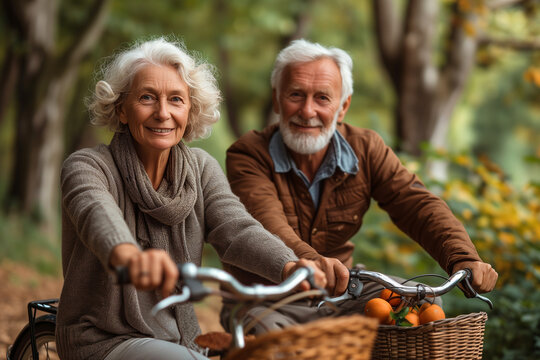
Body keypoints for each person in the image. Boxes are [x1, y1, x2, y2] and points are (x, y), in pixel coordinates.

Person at [56, 37, 326, 360]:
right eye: (147, 98)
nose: (163, 113)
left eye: (176, 100)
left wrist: (288, 265)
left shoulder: (200, 170)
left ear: (190, 110)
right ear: (121, 109)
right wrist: (130, 256)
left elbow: (237, 228)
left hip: (177, 336)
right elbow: (96, 214)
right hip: (102, 338)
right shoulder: (88, 166)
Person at [221, 39, 498, 333]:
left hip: (341, 295)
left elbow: (415, 203)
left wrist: (462, 257)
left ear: (343, 107)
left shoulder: (366, 148)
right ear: (276, 100)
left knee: (420, 304)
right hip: (267, 299)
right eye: (295, 95)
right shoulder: (248, 153)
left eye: (323, 98)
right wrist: (313, 263)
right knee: (273, 340)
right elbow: (268, 223)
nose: (307, 110)